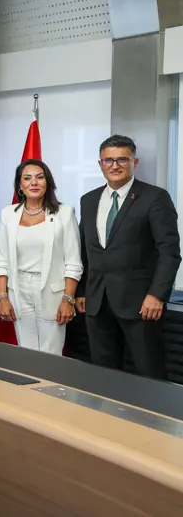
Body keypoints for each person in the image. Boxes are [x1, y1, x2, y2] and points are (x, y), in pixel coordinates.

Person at [77, 135, 181, 379]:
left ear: (134, 162)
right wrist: (81, 290)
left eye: (122, 159)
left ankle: (152, 408)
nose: (115, 165)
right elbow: (84, 249)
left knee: (149, 373)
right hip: (97, 302)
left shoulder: (155, 197)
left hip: (141, 304)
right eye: (108, 160)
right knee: (104, 373)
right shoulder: (89, 200)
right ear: (100, 164)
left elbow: (169, 252)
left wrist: (157, 295)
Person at [0, 160, 82, 355]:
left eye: (39, 177)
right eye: (27, 178)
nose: (34, 182)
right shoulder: (8, 214)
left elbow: (74, 263)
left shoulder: (64, 213)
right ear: (20, 185)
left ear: (48, 183)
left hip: (54, 293)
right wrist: (2, 297)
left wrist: (68, 299)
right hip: (18, 291)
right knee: (26, 352)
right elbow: (1, 261)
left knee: (51, 353)